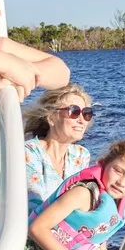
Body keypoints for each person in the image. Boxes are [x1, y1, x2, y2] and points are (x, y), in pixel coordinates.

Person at [28, 140, 125, 250]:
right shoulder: (82, 194)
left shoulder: (114, 201)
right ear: (104, 164)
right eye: (118, 171)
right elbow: (36, 228)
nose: (122, 182)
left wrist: (100, 241)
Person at [23, 84, 95, 216]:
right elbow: (35, 208)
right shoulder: (28, 153)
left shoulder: (81, 156)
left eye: (86, 114)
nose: (82, 120)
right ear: (51, 118)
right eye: (74, 112)